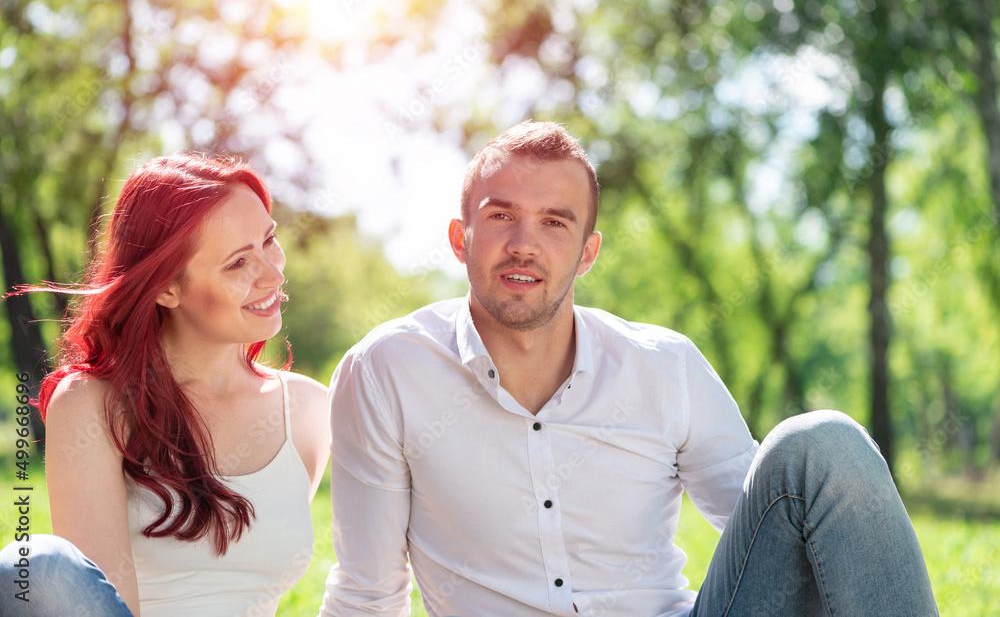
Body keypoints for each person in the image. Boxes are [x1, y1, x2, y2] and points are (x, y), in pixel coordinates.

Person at [320, 121, 938, 616]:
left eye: (555, 222)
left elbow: (776, 523)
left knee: (822, 443)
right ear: (461, 237)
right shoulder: (386, 371)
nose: (523, 244)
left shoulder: (664, 367)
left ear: (587, 251)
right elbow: (368, 594)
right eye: (501, 215)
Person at [0, 155, 330, 616]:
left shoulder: (309, 409)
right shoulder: (93, 405)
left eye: (269, 240)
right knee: (35, 566)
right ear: (166, 288)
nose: (273, 274)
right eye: (238, 263)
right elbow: (101, 596)